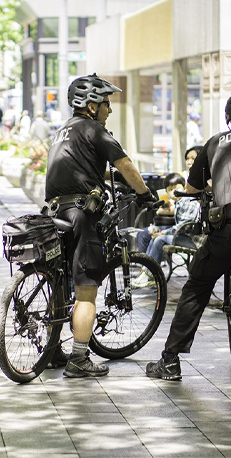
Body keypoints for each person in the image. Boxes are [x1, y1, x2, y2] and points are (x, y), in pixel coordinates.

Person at [46, 73, 157, 378]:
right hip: (83, 214)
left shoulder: (62, 131)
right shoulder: (96, 130)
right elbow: (126, 165)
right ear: (92, 106)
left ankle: (52, 348)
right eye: (106, 103)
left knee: (59, 280)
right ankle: (79, 359)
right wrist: (145, 194)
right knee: (86, 291)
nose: (110, 109)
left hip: (54, 212)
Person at [146, 92, 231, 380]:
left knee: (197, 284)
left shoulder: (214, 143)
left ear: (228, 119)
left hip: (228, 228)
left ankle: (170, 360)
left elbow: (193, 187)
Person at [132, 173, 200, 287]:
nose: (174, 192)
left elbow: (184, 226)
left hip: (191, 239)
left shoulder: (188, 201)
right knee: (155, 238)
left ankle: (151, 273)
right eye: (170, 190)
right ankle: (146, 272)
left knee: (159, 239)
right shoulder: (179, 202)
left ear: (184, 188)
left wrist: (163, 233)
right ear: (166, 192)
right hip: (184, 236)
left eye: (177, 188)